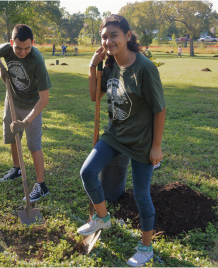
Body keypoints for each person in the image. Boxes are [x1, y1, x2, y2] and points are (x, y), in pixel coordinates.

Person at [79, 14, 166, 267]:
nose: (108, 41)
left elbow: (159, 109)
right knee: (87, 172)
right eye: (104, 37)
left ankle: (146, 247)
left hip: (140, 142)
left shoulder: (145, 68)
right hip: (114, 135)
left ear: (128, 36)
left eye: (113, 35)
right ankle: (103, 218)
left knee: (141, 196)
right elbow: (95, 96)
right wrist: (92, 67)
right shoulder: (109, 64)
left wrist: (156, 146)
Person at [0, 24, 52, 202]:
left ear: (33, 43)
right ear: (11, 43)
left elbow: (44, 99)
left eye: (27, 48)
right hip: (12, 100)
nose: (22, 52)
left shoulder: (37, 60)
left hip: (32, 105)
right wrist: (0, 65)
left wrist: (25, 121)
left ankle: (41, 186)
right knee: (13, 136)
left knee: (34, 145)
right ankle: (16, 169)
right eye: (18, 48)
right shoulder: (6, 49)